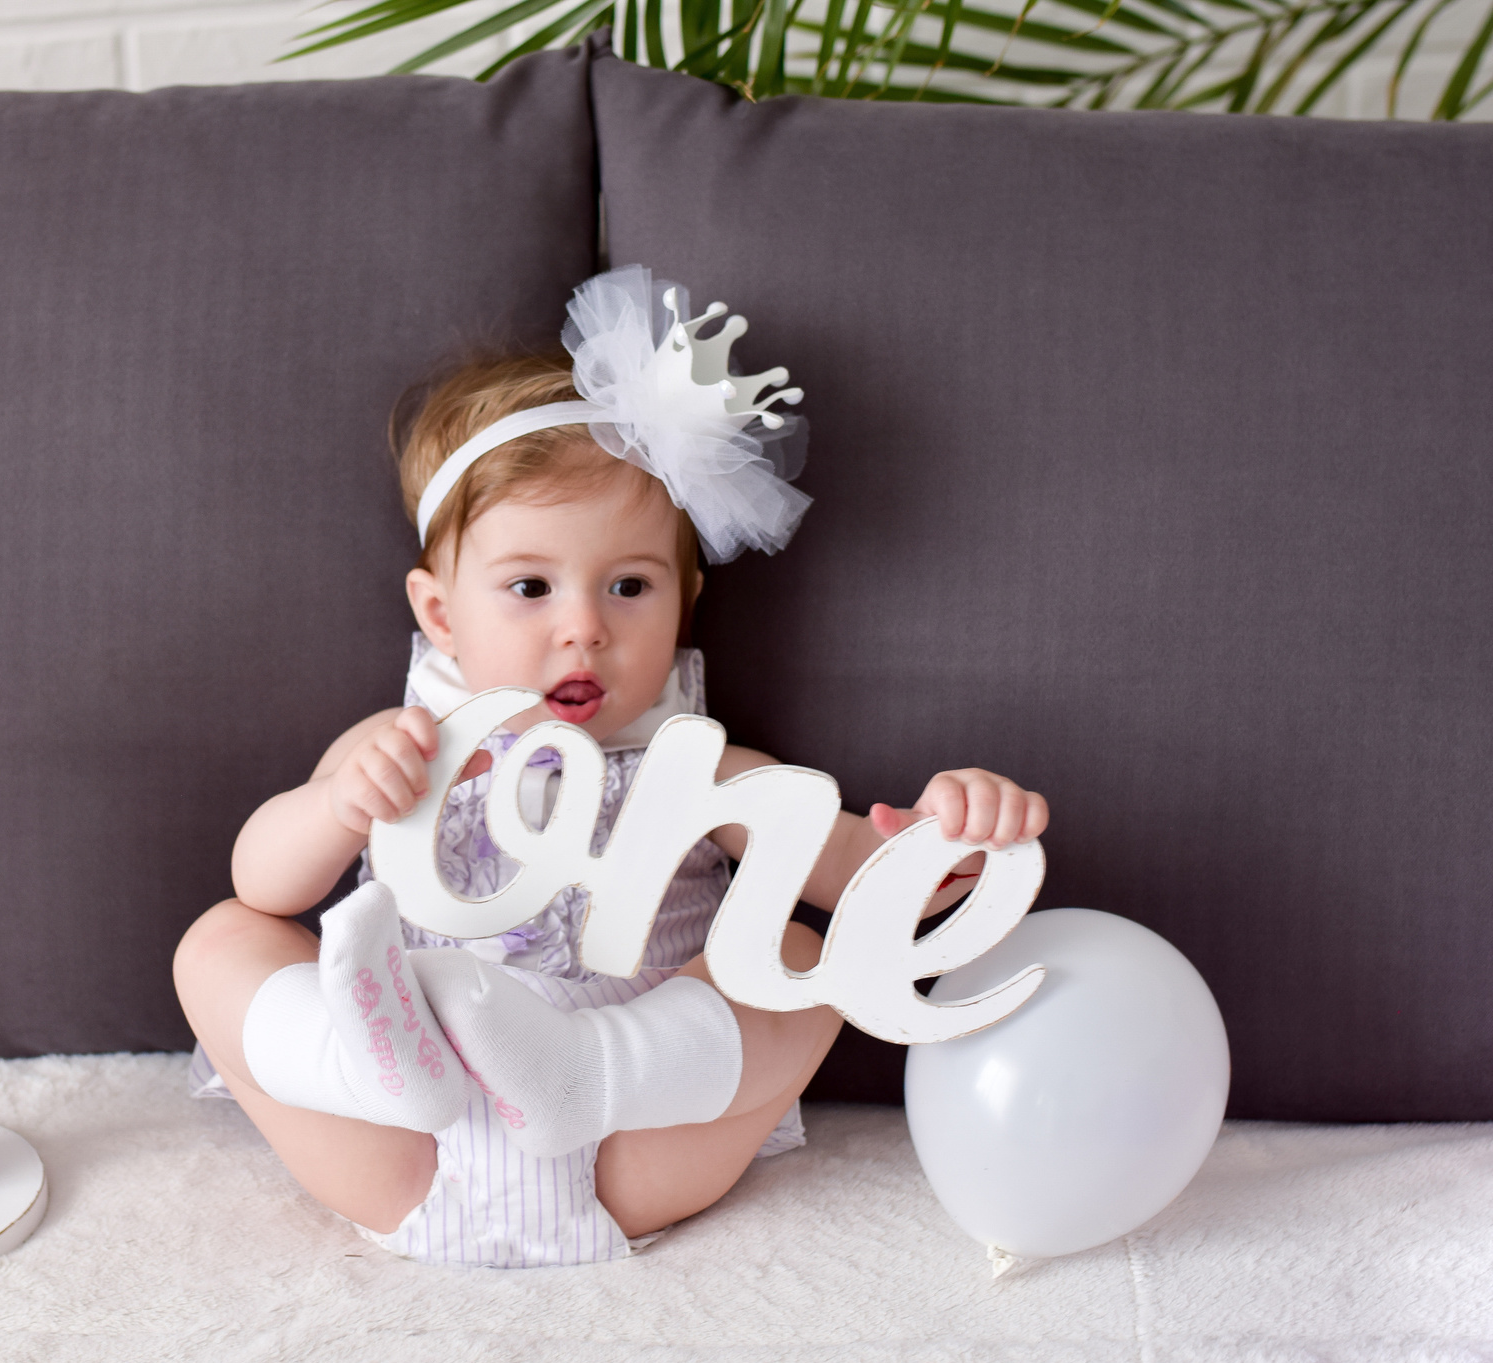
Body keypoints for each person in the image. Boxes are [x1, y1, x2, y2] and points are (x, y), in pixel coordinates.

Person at [172, 265, 1048, 1267]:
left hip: (632, 1142)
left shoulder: (706, 770)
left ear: (685, 603)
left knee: (802, 954)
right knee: (219, 940)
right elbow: (264, 885)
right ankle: (357, 1061)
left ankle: (583, 1068)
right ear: (441, 614)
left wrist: (952, 832)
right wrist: (338, 802)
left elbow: (873, 885)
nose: (583, 629)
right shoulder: (400, 749)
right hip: (403, 1137)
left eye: (629, 586)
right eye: (531, 587)